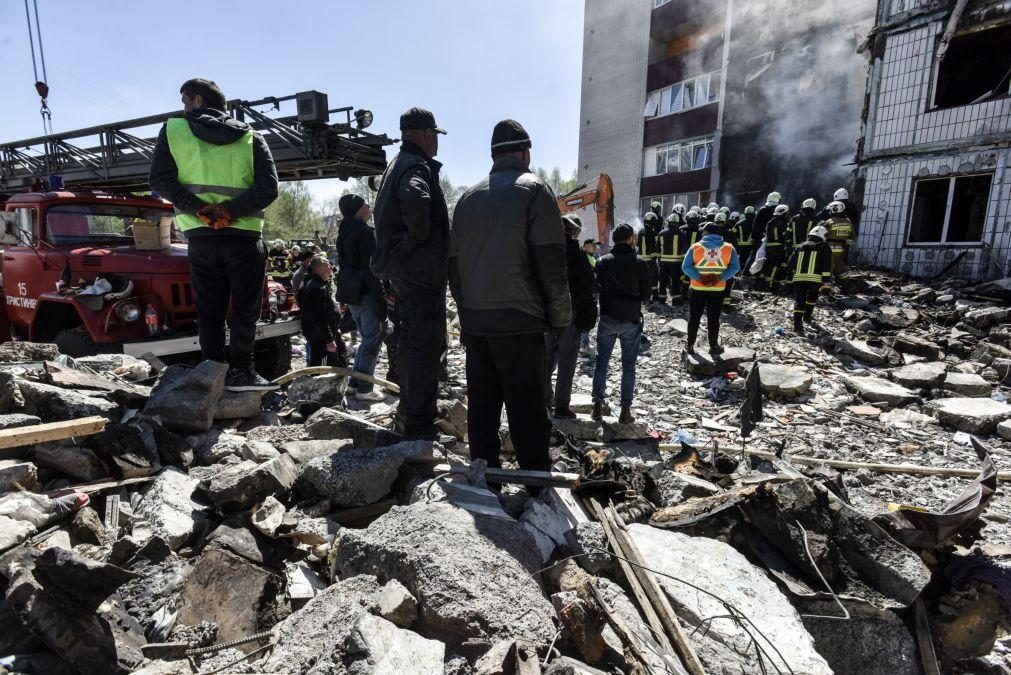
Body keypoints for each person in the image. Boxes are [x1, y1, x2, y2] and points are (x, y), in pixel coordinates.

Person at [449, 119, 570, 471]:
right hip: (521, 323)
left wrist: (468, 312)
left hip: (477, 323)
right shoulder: (534, 190)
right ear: (525, 152)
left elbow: (454, 270)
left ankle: (485, 482)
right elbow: (552, 264)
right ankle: (536, 486)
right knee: (527, 409)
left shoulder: (467, 198)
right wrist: (562, 319)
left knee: (483, 409)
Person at [149, 78, 279, 392]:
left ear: (196, 100)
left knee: (209, 311)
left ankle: (212, 372)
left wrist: (199, 210)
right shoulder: (250, 136)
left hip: (201, 238)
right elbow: (268, 189)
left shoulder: (173, 131)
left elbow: (160, 181)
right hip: (244, 238)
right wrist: (231, 210)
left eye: (185, 101)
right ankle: (241, 374)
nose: (183, 107)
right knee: (246, 310)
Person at [372, 107, 450, 439]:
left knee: (410, 343)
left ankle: (409, 414)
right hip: (420, 273)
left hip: (407, 273)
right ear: (427, 134)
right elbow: (416, 199)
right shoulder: (415, 165)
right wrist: (411, 244)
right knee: (426, 346)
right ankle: (418, 426)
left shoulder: (397, 163)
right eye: (435, 136)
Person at [591, 223, 654, 424]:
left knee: (602, 363)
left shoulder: (602, 262)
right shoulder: (640, 262)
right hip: (631, 321)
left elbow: (596, 288)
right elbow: (646, 295)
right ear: (629, 239)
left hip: (608, 319)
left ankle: (597, 407)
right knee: (629, 366)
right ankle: (625, 411)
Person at [335, 194, 386, 402]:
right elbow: (371, 269)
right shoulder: (364, 233)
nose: (370, 209)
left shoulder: (343, 232)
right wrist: (380, 298)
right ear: (357, 210)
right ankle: (365, 387)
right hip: (365, 292)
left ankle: (354, 384)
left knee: (366, 337)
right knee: (372, 339)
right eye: (366, 206)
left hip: (351, 292)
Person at [548, 214, 598, 419]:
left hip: (546, 313)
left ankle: (543, 401)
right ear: (576, 231)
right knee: (567, 360)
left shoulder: (547, 251)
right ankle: (561, 407)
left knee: (546, 358)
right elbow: (590, 285)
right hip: (569, 312)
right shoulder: (577, 254)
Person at [681, 219, 740, 355]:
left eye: (703, 232)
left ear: (706, 232)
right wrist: (720, 277)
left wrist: (700, 278)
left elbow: (685, 267)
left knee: (694, 317)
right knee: (713, 318)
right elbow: (735, 267)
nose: (702, 234)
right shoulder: (728, 248)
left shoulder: (695, 247)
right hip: (718, 289)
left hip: (698, 289)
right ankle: (713, 346)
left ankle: (690, 346)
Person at [295, 256, 348, 368]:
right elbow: (319, 318)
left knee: (339, 359)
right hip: (321, 337)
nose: (330, 266)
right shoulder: (316, 287)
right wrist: (328, 340)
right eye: (327, 264)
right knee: (322, 368)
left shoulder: (314, 283)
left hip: (324, 333)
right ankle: (318, 385)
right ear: (320, 268)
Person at [785, 225, 832, 336]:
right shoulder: (824, 246)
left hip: (799, 279)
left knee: (799, 301)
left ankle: (797, 327)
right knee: (812, 297)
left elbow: (790, 263)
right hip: (815, 280)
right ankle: (807, 316)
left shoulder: (799, 246)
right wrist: (825, 281)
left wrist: (789, 278)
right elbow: (826, 265)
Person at [823, 200, 855, 283]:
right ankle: (846, 284)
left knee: (827, 267)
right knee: (839, 267)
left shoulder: (829, 222)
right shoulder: (848, 222)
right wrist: (845, 247)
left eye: (830, 210)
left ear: (835, 209)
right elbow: (851, 238)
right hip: (841, 249)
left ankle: (827, 287)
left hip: (828, 248)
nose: (829, 212)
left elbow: (822, 235)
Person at [761, 204, 791, 292]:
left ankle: (760, 283)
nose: (788, 215)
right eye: (786, 213)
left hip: (768, 246)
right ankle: (769, 285)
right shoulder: (783, 223)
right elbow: (785, 236)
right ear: (782, 213)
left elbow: (765, 235)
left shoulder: (769, 223)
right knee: (775, 265)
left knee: (768, 264)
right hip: (778, 247)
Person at [657, 211, 683, 303]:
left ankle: (661, 298)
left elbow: (658, 248)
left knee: (663, 280)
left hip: (663, 262)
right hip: (676, 262)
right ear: (678, 222)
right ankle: (676, 300)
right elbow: (684, 248)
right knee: (675, 281)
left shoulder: (661, 233)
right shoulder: (681, 233)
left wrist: (659, 259)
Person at [638, 210, 662, 303]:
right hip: (649, 260)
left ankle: (643, 297)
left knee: (643, 279)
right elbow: (651, 247)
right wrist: (655, 257)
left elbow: (638, 246)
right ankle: (655, 296)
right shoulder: (651, 232)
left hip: (640, 259)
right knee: (653, 278)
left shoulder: (640, 231)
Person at [733, 206, 756, 278]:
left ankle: (737, 274)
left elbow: (733, 234)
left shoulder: (739, 223)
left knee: (740, 260)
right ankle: (746, 274)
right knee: (749, 261)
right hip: (751, 245)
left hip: (740, 245)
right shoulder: (756, 223)